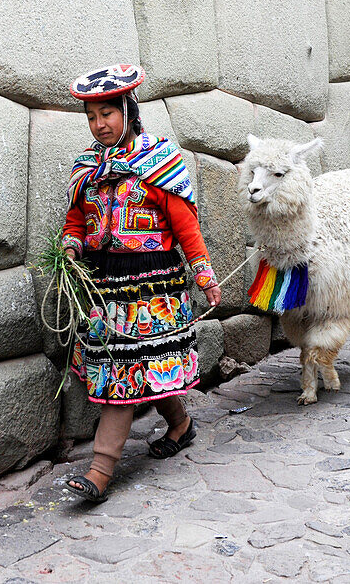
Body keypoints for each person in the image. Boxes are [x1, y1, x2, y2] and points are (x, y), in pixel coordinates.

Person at [60, 63, 221, 502]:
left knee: (124, 377)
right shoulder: (87, 166)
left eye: (107, 113)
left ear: (128, 109)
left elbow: (185, 226)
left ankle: (100, 471)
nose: (99, 125)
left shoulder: (160, 161)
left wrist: (204, 276)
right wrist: (70, 249)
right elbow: (77, 218)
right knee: (142, 368)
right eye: (92, 117)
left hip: (152, 288)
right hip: (103, 288)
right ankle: (182, 424)